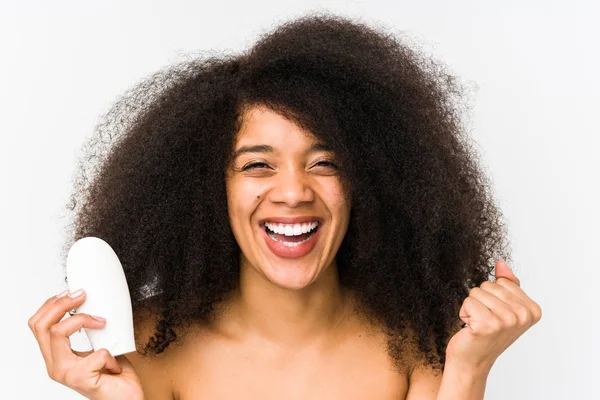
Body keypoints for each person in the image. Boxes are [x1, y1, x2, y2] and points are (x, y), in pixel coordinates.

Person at [28, 13, 542, 400]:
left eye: (325, 163)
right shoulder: (141, 349)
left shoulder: (422, 345)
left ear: (372, 180)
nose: (294, 192)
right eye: (258, 165)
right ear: (210, 188)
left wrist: (469, 371)